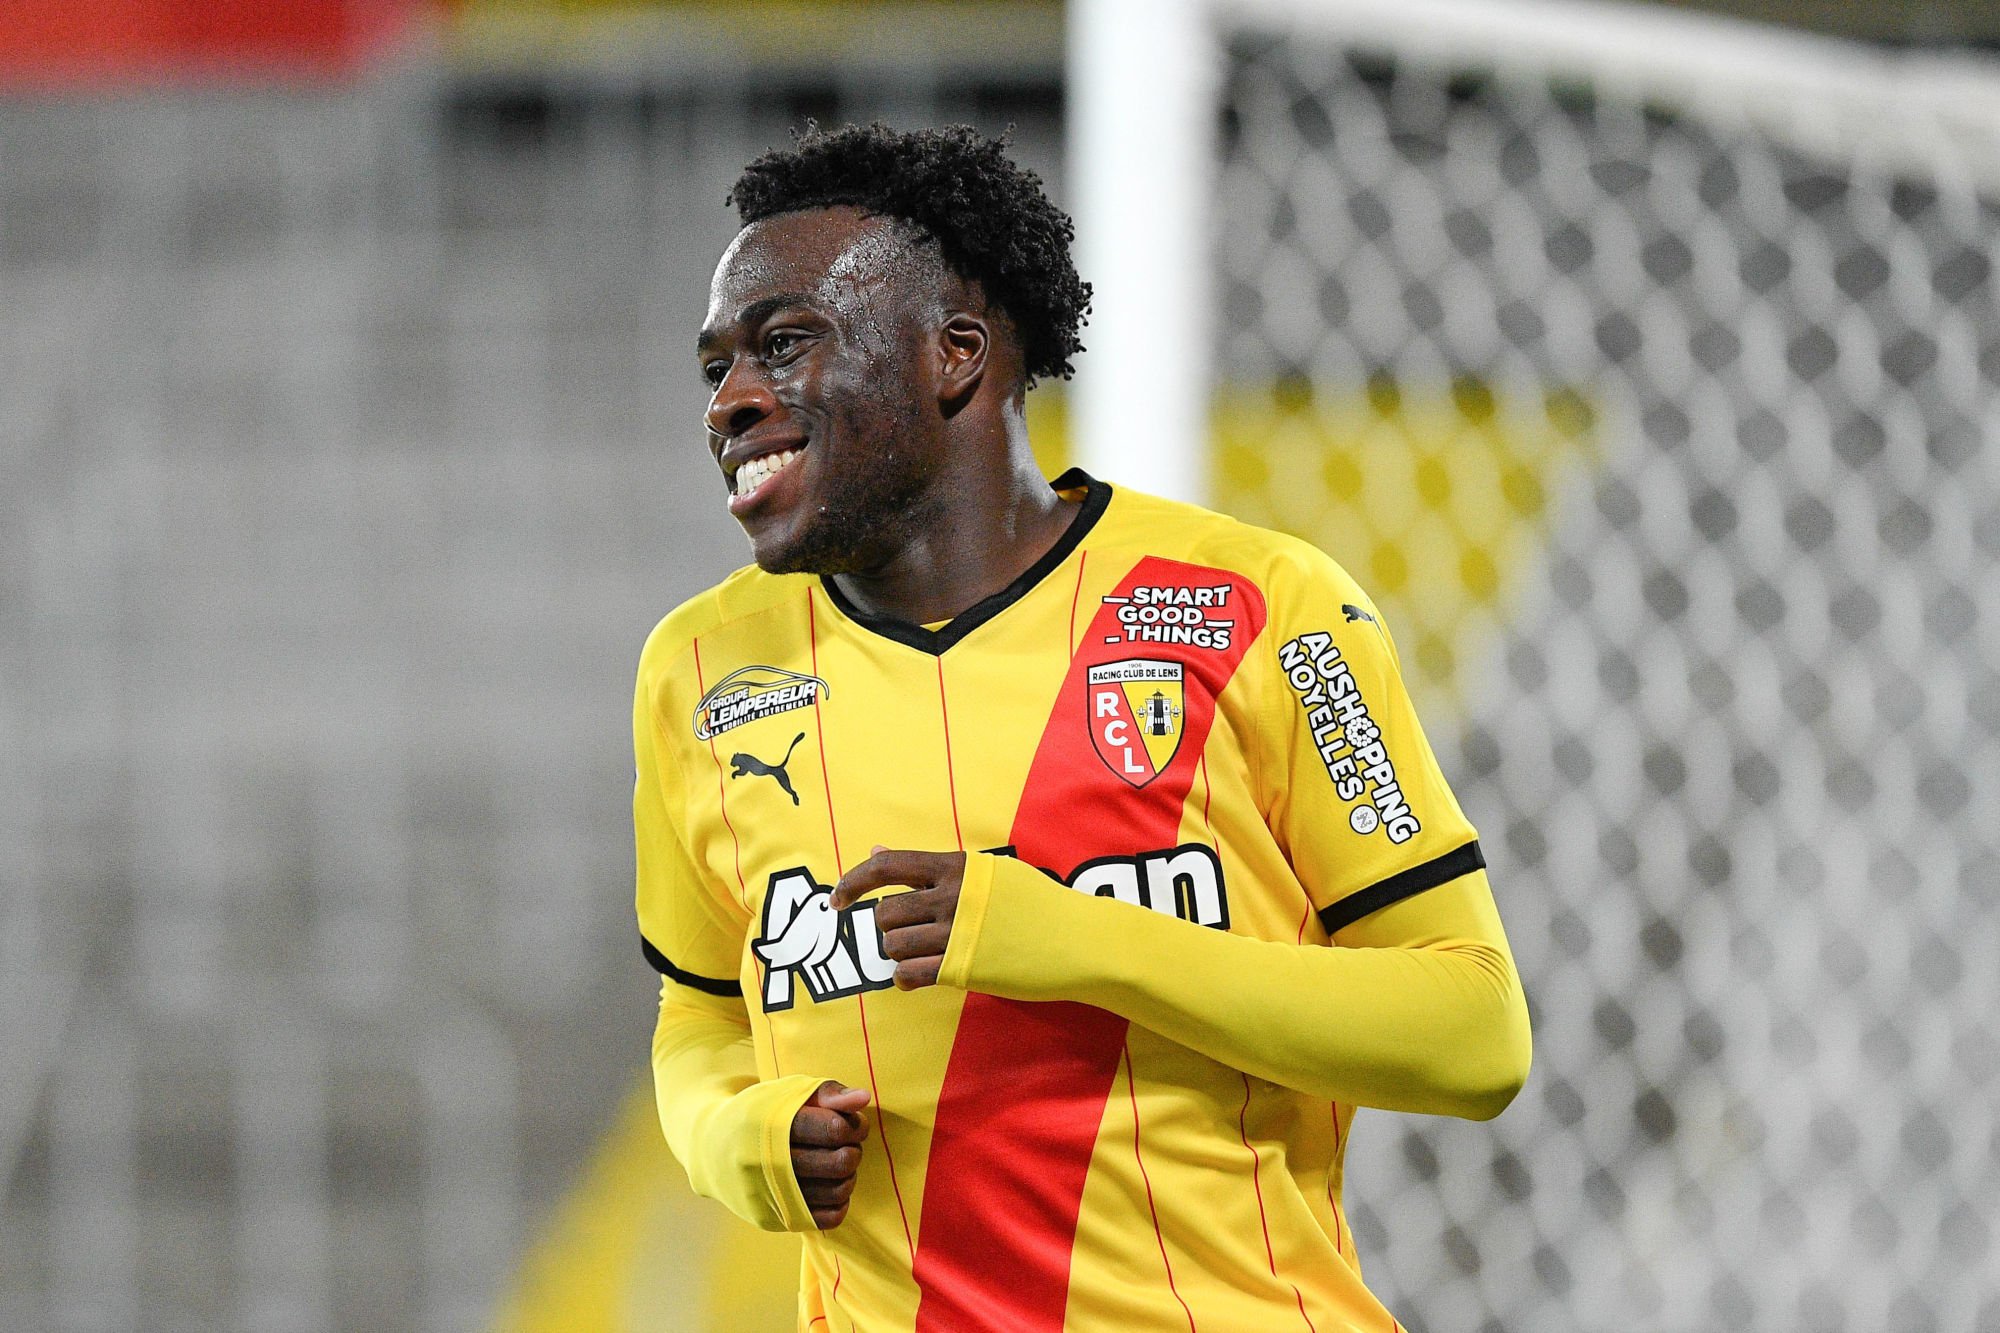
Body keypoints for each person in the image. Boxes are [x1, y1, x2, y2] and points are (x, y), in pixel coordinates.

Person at [634, 123, 1531, 1332]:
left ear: (953, 354)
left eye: (783, 344)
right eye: (716, 369)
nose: (731, 403)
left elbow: (1472, 1032)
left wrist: (1071, 938)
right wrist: (726, 1133)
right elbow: (697, 1012)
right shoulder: (698, 671)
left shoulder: (1260, 608)